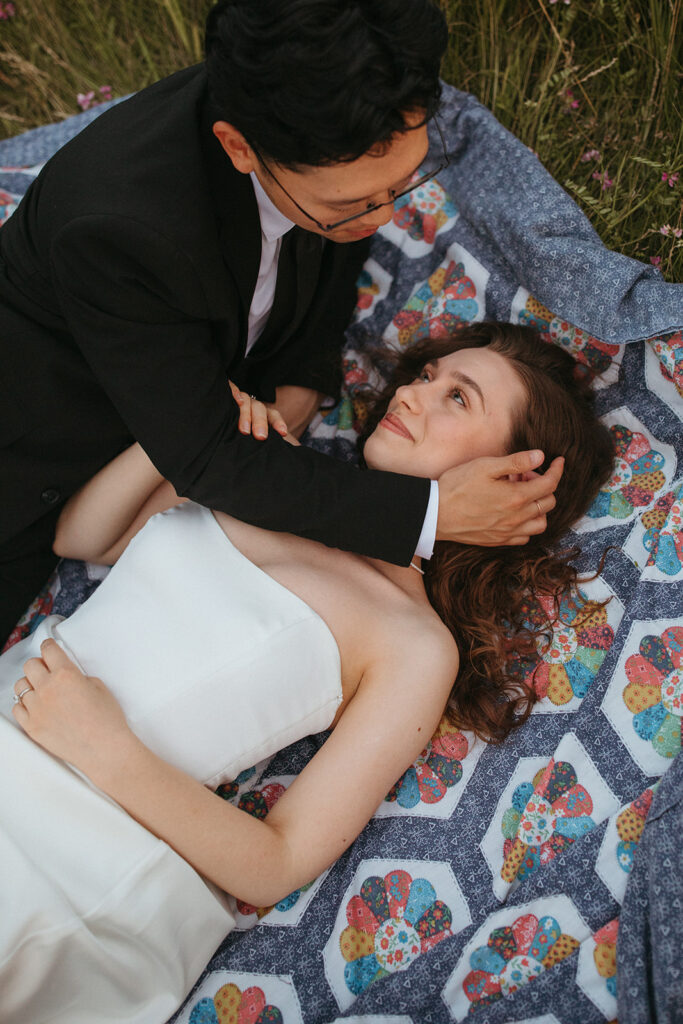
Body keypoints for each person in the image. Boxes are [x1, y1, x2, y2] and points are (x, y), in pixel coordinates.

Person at [0, 322, 611, 1024]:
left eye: (457, 398)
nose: (413, 395)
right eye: (423, 377)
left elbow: (278, 861)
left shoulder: (412, 643)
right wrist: (201, 433)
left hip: (74, 841)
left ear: (514, 480)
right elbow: (82, 536)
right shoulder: (274, 473)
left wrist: (103, 749)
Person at [0, 0, 562, 646]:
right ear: (238, 148)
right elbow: (208, 455)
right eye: (353, 203)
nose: (382, 218)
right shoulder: (118, 228)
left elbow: (328, 248)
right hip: (30, 454)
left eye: (401, 185)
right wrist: (431, 513)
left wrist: (300, 378)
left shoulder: (324, 115)